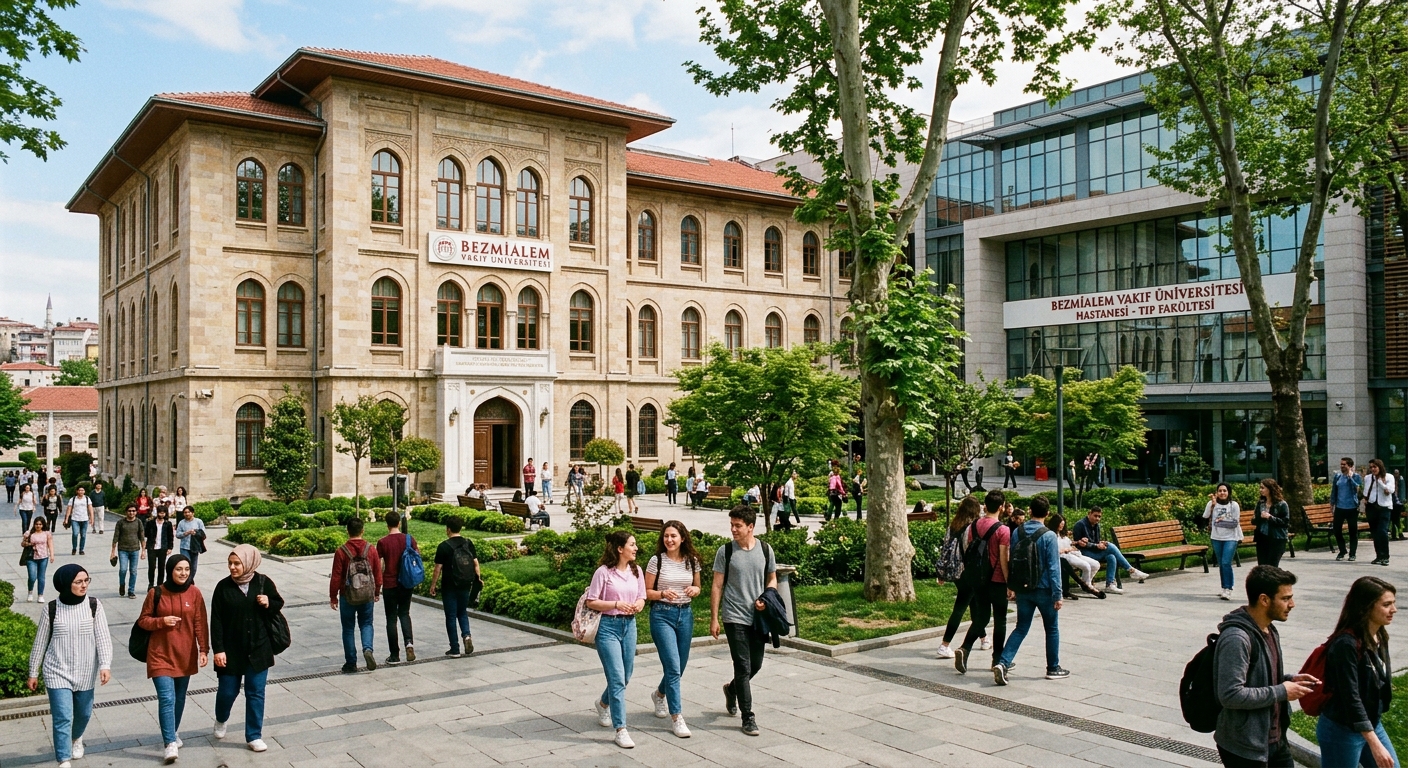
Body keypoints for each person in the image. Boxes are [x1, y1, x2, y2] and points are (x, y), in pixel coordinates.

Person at [1212, 565, 1318, 768]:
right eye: (1286, 598)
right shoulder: (1237, 638)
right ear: (1264, 600)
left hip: (1275, 740)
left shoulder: (1269, 629)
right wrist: (1281, 691)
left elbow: (1260, 676)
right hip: (1245, 746)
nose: (1292, 604)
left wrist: (1289, 680)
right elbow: (1230, 695)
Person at [27, 564, 113, 768]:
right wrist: (33, 672)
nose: (84, 585)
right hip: (56, 670)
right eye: (78, 582)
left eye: (86, 580)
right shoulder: (51, 608)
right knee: (63, 716)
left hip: (85, 671)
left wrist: (105, 664)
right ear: (66, 584)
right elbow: (40, 642)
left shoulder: (94, 605)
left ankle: (76, 738)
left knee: (83, 713)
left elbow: (103, 637)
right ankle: (63, 759)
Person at [1317, 576, 1398, 768]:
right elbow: (1350, 697)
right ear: (1366, 607)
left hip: (1370, 723)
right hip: (1341, 729)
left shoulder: (1379, 634)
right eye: (1387, 604)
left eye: (1394, 603)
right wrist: (1374, 743)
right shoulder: (1346, 644)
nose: (1393, 610)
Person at [710, 505, 777, 737]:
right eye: (732, 525)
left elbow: (772, 580)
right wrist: (714, 617)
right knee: (743, 665)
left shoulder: (766, 550)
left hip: (757, 617)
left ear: (751, 527)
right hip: (733, 616)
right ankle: (748, 717)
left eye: (738, 526)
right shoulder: (725, 551)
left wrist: (766, 599)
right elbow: (717, 585)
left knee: (755, 664)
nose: (733, 529)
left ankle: (732, 689)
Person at [211, 544, 282, 752]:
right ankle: (221, 718)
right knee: (227, 692)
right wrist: (218, 649)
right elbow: (216, 621)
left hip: (259, 648)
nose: (232, 567)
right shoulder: (223, 587)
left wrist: (269, 602)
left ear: (249, 563)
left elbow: (278, 603)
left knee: (255, 692)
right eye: (230, 563)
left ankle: (253, 735)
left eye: (237, 563)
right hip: (231, 650)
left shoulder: (263, 582)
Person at [139, 553, 210, 763]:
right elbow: (143, 620)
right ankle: (169, 743)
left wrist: (204, 649)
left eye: (187, 569)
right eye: (179, 569)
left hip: (184, 654)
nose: (183, 573)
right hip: (160, 654)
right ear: (170, 570)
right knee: (167, 698)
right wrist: (161, 621)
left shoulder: (194, 593)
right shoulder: (156, 593)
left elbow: (200, 622)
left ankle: (173, 731)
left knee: (179, 698)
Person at [994, 496, 1068, 683]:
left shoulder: (1018, 531)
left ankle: (1003, 662)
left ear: (1029, 510)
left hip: (1023, 589)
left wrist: (1011, 585)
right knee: (1051, 628)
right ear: (1048, 513)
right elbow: (1053, 567)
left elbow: (1012, 560)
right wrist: (1058, 594)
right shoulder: (1049, 535)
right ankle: (1053, 667)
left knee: (1021, 627)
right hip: (1044, 589)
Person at [586, 529, 648, 749]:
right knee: (617, 678)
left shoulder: (636, 570)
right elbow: (592, 601)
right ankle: (621, 729)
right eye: (632, 544)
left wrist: (639, 605)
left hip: (629, 625)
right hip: (608, 628)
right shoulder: (603, 572)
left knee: (626, 674)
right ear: (620, 549)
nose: (636, 548)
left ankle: (603, 704)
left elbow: (642, 596)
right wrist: (615, 604)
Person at [645, 521, 702, 739]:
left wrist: (694, 590)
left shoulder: (692, 561)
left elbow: (698, 586)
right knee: (673, 666)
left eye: (674, 536)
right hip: (661, 614)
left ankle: (659, 694)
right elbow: (646, 591)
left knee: (680, 666)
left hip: (685, 615)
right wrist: (662, 594)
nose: (669, 540)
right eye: (666, 536)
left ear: (682, 538)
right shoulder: (656, 561)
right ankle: (677, 717)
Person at [955, 490, 1012, 675]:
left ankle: (965, 648)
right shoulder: (1003, 530)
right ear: (1002, 507)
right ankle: (997, 660)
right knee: (1000, 620)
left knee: (982, 618)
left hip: (978, 579)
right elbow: (1004, 558)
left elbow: (970, 551)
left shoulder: (973, 526)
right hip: (996, 580)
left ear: (985, 506)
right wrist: (1008, 582)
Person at [329, 517, 381, 673]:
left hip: (347, 595)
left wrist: (333, 596)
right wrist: (376, 591)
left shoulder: (341, 551)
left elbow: (336, 576)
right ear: (362, 531)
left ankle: (351, 663)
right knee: (366, 623)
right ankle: (368, 649)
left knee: (348, 628)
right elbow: (378, 572)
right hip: (366, 595)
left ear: (347, 531)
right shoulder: (371, 549)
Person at [935, 495, 983, 660]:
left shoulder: (953, 526)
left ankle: (984, 639)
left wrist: (941, 573)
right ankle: (945, 644)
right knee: (961, 608)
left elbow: (945, 550)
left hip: (956, 572)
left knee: (974, 604)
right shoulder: (973, 527)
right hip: (969, 572)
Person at [429, 516, 480, 657]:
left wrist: (433, 584)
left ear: (448, 529)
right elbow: (475, 563)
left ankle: (455, 648)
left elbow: (438, 568)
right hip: (465, 583)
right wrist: (478, 579)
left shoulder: (444, 546)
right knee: (462, 612)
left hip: (449, 585)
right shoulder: (468, 543)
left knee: (451, 616)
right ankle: (467, 636)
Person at [375, 510, 418, 665]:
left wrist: (377, 586)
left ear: (387, 524)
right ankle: (409, 644)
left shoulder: (383, 542)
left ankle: (394, 654)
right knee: (405, 613)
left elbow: (380, 566)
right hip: (407, 583)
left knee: (391, 618)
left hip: (390, 583)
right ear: (399, 523)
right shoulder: (409, 539)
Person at [1072, 507, 1148, 594]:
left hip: (1093, 551)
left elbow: (1095, 541)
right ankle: (1131, 570)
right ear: (1089, 514)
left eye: (1099, 517)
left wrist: (1101, 543)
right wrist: (1097, 545)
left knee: (1111, 557)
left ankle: (1110, 585)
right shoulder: (1080, 525)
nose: (1097, 518)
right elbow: (1079, 544)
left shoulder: (1097, 525)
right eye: (1095, 516)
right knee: (1111, 547)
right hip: (1083, 554)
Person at [1049, 512, 1103, 599]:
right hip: (1064, 556)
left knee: (1096, 564)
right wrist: (1067, 549)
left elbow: (1069, 542)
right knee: (1086, 566)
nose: (1061, 527)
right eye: (1060, 525)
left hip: (1074, 553)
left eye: (1063, 525)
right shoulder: (1051, 535)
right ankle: (1087, 586)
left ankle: (1085, 582)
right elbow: (1054, 550)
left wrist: (1078, 542)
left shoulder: (1062, 534)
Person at [1204, 483, 1244, 600]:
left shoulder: (1234, 505)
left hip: (1231, 537)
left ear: (1228, 492)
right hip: (1216, 537)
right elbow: (1206, 516)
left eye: (1224, 491)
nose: (1222, 493)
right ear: (1217, 492)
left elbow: (1235, 521)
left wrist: (1221, 520)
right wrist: (1211, 505)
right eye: (1220, 491)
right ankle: (1224, 587)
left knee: (1226, 562)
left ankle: (1228, 588)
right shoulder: (1212, 504)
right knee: (1221, 563)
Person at [1362, 458, 1396, 567]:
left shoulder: (1389, 477)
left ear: (1380, 467)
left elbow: (1389, 491)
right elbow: (1366, 491)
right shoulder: (1368, 478)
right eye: (1371, 467)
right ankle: (1379, 555)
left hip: (1384, 507)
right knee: (1375, 533)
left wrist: (1380, 481)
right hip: (1372, 506)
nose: (1372, 469)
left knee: (1382, 531)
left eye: (1374, 467)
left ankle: (1385, 556)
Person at [1254, 478, 1292, 567]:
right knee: (1262, 566)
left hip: (1276, 538)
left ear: (1270, 489)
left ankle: (1275, 580)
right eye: (1260, 488)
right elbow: (1255, 520)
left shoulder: (1282, 504)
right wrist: (1258, 517)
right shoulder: (1261, 503)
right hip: (1262, 537)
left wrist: (1270, 517)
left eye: (1263, 488)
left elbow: (1285, 522)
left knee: (1272, 565)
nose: (1261, 490)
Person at [1332, 458, 1364, 561]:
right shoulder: (1337, 477)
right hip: (1340, 507)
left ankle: (1352, 553)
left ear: (1350, 466)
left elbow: (1359, 490)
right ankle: (1342, 550)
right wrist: (1332, 503)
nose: (1342, 466)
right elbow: (1334, 491)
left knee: (1353, 531)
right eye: (1341, 464)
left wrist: (1351, 478)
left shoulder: (1356, 476)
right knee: (1336, 530)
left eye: (1344, 464)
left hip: (1352, 507)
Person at [112, 504, 145, 598]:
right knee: (123, 569)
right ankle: (122, 584)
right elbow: (115, 537)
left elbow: (142, 537)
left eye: (133, 511)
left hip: (135, 550)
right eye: (129, 511)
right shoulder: (120, 522)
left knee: (133, 571)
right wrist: (113, 552)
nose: (131, 513)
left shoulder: (138, 522)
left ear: (136, 512)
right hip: (123, 550)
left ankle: (131, 590)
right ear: (126, 512)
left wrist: (143, 551)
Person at [24, 517, 55, 602]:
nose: (38, 526)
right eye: (37, 524)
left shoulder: (47, 533)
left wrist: (52, 555)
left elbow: (50, 544)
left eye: (40, 524)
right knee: (32, 577)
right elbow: (23, 543)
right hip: (31, 558)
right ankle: (30, 592)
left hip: (43, 557)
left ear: (43, 525)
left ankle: (40, 595)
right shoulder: (29, 533)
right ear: (34, 524)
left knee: (41, 577)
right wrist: (29, 543)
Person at [146, 506, 175, 591]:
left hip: (163, 547)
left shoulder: (168, 524)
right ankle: (151, 584)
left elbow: (170, 536)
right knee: (151, 567)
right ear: (157, 512)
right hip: (152, 547)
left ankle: (160, 584)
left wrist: (170, 547)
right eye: (160, 512)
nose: (161, 514)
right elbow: (146, 533)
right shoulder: (151, 522)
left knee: (161, 567)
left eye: (163, 512)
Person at [174, 506, 206, 580]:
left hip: (195, 547)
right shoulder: (181, 523)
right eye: (185, 512)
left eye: (188, 512)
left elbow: (203, 533)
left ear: (193, 513)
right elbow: (178, 535)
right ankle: (187, 581)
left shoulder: (198, 521)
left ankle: (190, 580)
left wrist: (196, 533)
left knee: (193, 567)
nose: (187, 514)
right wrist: (186, 533)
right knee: (186, 565)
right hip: (184, 547)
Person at [63, 486, 93, 556]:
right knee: (75, 534)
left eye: (82, 490)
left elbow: (90, 509)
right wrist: (66, 519)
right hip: (75, 519)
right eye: (79, 490)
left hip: (85, 519)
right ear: (77, 491)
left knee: (83, 535)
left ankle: (81, 549)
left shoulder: (87, 499)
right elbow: (69, 509)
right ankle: (74, 548)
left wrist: (92, 518)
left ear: (84, 491)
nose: (81, 492)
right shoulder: (73, 499)